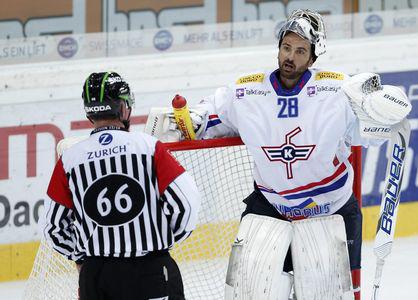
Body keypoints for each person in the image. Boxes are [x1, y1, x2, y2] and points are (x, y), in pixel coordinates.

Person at [147, 9, 411, 299]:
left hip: (330, 208)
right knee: (247, 291)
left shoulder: (338, 91)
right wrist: (193, 119)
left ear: (313, 57)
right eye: (286, 47)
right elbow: (209, 114)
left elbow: (376, 127)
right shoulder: (247, 92)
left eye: (300, 51)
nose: (290, 57)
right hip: (271, 206)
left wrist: (384, 108)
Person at [44, 72, 201, 300]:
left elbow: (53, 227)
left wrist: (82, 258)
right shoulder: (149, 148)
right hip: (150, 272)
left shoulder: (70, 159)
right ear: (124, 108)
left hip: (96, 278)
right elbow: (186, 203)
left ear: (89, 111)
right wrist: (160, 240)